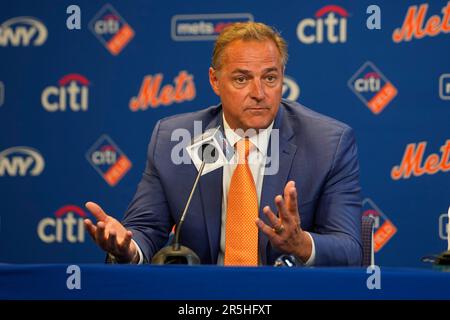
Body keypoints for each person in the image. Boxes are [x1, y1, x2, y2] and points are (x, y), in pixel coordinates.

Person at [84, 22, 362, 266]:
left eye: (270, 78)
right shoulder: (173, 140)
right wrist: (126, 249)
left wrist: (302, 245)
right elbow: (145, 230)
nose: (259, 93)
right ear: (215, 81)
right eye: (242, 79)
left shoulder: (328, 144)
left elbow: (350, 249)